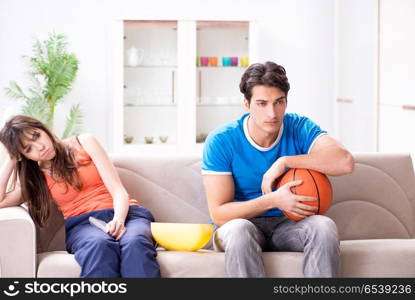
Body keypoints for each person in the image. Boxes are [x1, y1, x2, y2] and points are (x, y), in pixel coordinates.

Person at [201, 61, 354, 277]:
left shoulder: (299, 127)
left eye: (279, 102)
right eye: (262, 103)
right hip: (243, 224)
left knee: (323, 227)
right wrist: (273, 200)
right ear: (246, 104)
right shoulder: (222, 140)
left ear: (286, 101)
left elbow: (344, 161)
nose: (272, 113)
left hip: (289, 224)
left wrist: (286, 161)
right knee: (238, 231)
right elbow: (219, 214)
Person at [0, 115, 160, 278]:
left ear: (43, 129)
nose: (40, 146)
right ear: (23, 156)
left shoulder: (84, 142)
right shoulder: (35, 177)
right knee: (99, 245)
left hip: (128, 214)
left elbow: (118, 190)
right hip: (83, 225)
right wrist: (10, 160)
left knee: (134, 242)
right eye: (28, 149)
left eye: (37, 136)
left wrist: (118, 220)